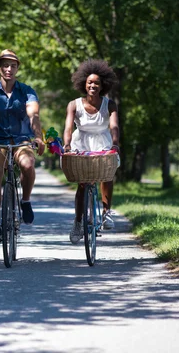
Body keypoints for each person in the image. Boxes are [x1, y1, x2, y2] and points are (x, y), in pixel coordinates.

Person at [0, 49, 45, 242]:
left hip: (22, 140)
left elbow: (34, 115)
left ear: (17, 69)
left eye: (13, 66)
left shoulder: (27, 91)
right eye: (5, 65)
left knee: (28, 165)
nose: (9, 69)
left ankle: (25, 200)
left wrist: (38, 137)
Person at [62, 59, 120, 244]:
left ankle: (106, 213)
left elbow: (114, 126)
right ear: (83, 84)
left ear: (103, 85)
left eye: (96, 82)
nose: (93, 85)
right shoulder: (74, 105)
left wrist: (116, 144)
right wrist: (67, 145)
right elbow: (68, 128)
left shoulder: (109, 105)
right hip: (82, 143)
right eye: (89, 82)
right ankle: (78, 222)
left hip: (103, 142)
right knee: (82, 183)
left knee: (107, 174)